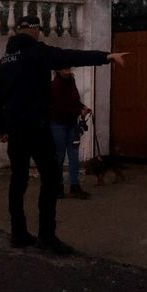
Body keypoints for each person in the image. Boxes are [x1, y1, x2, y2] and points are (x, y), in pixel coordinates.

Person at [0, 14, 125, 254]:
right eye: (38, 29)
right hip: (37, 128)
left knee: (17, 180)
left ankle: (18, 234)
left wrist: (0, 128)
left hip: (16, 131)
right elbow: (69, 56)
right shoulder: (36, 52)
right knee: (50, 179)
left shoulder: (5, 60)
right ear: (35, 30)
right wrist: (106, 57)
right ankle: (47, 237)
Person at [49, 68, 92, 199]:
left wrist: (82, 106)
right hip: (58, 123)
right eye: (65, 69)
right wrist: (79, 111)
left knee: (73, 155)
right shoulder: (55, 85)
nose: (68, 71)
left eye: (69, 68)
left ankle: (74, 186)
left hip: (71, 123)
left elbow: (74, 100)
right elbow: (60, 107)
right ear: (58, 70)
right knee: (59, 156)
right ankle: (58, 186)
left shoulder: (71, 81)